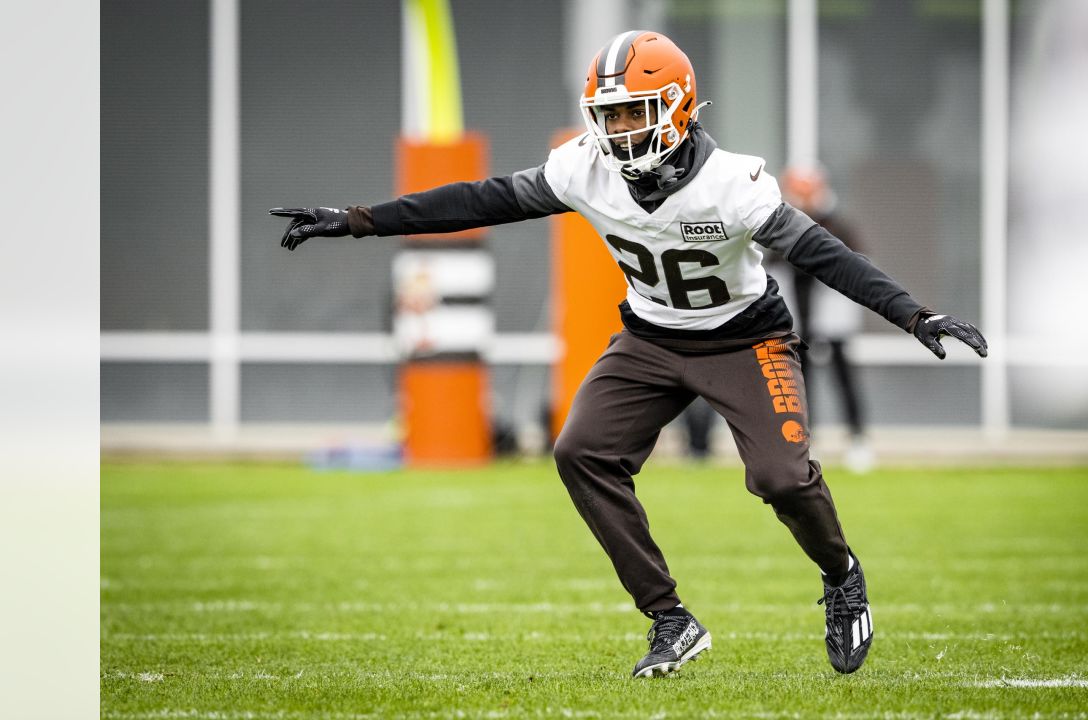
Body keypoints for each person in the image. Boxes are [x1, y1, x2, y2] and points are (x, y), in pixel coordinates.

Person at [270, 30, 987, 678]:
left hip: (744, 338)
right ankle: (671, 620)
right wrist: (359, 220)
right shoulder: (586, 169)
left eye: (632, 112)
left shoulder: (732, 185)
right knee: (580, 451)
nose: (616, 129)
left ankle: (841, 575)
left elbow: (826, 255)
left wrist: (913, 313)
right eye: (607, 115)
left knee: (782, 479)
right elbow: (478, 200)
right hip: (649, 338)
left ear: (677, 108)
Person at [772, 166, 875, 472]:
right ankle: (805, 440)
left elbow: (857, 263)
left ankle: (858, 439)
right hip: (797, 320)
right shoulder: (779, 222)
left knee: (844, 377)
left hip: (832, 316)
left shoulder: (838, 225)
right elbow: (772, 264)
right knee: (801, 382)